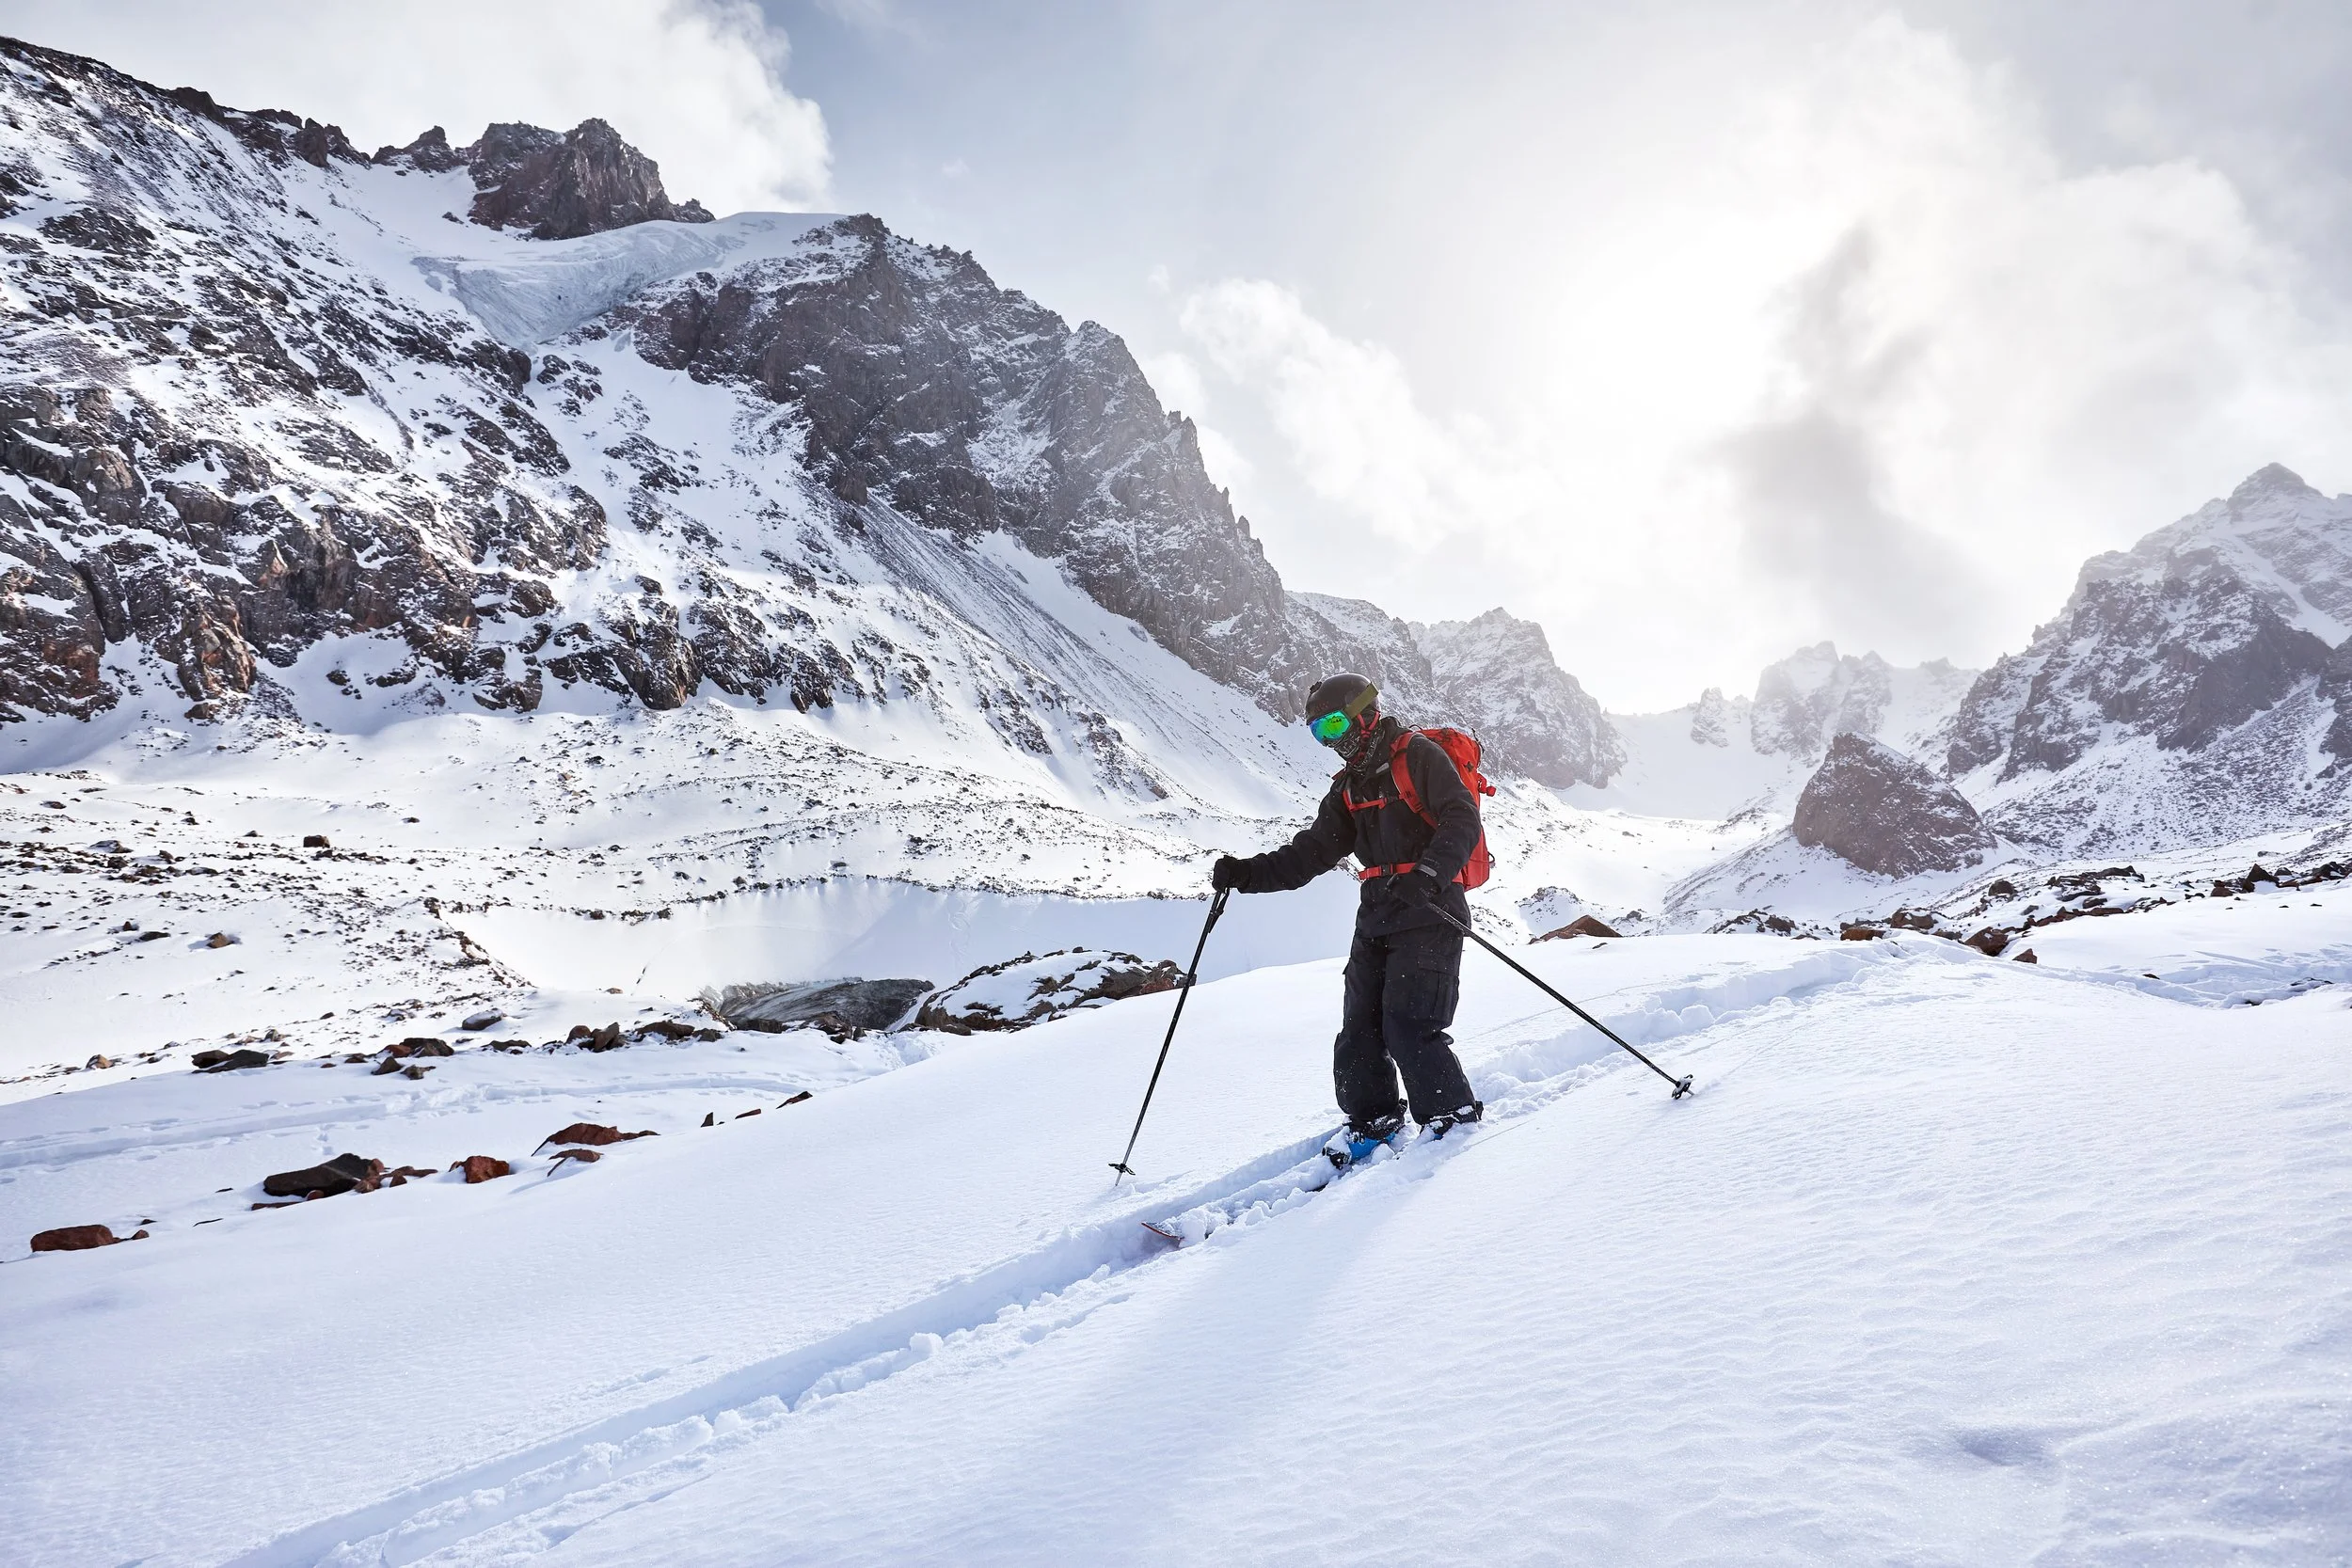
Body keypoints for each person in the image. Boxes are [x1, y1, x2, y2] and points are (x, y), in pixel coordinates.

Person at [1212, 673, 1484, 1166]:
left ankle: (1451, 1120)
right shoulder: (1349, 788)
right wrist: (1243, 874)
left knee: (1409, 1023)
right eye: (1320, 733)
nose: (1332, 740)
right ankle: (1372, 1122)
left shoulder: (1418, 757)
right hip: (1377, 914)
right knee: (1359, 1028)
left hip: (1430, 908)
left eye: (1335, 724)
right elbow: (1309, 854)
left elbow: (1461, 818)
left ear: (1365, 713)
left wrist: (1427, 875)